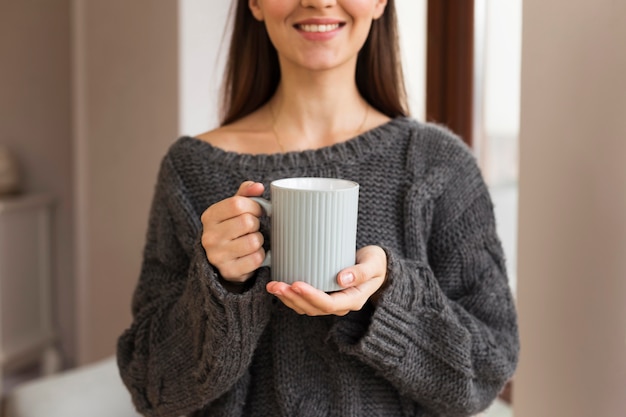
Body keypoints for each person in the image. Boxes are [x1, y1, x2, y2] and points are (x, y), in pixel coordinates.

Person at [117, 0, 519, 416]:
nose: (319, 0)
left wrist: (387, 294)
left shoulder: (439, 164)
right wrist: (221, 287)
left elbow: (487, 369)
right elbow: (150, 386)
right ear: (254, 3)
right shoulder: (191, 170)